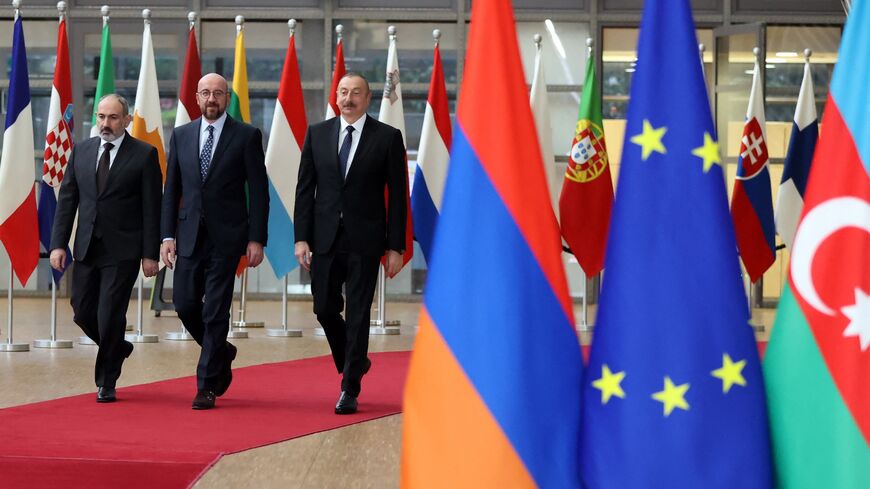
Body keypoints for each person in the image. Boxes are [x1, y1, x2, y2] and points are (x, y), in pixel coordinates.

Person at [294, 72, 407, 415]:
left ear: (368, 98)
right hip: (325, 238)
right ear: (336, 96)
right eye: (343, 92)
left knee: (358, 315)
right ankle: (354, 360)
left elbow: (399, 197)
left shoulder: (387, 137)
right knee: (324, 308)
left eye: (356, 92)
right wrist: (301, 238)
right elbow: (304, 190)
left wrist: (396, 247)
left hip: (366, 240)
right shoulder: (317, 134)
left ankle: (349, 388)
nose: (348, 98)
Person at [160, 73, 269, 410]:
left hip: (228, 237)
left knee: (216, 310)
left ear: (227, 98)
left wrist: (256, 238)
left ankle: (206, 384)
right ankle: (221, 350)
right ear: (196, 97)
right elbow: (172, 190)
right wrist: (166, 235)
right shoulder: (181, 135)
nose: (212, 99)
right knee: (184, 303)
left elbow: (259, 191)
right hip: (189, 234)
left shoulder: (247, 136)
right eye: (205, 92)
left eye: (218, 93)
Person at [50, 94, 162, 403]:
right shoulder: (81, 152)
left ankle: (106, 381)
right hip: (86, 247)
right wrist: (58, 244)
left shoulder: (144, 154)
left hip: (123, 249)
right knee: (83, 312)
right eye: (101, 116)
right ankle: (118, 347)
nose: (105, 123)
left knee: (109, 313)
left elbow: (152, 208)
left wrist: (150, 254)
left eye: (113, 117)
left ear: (126, 121)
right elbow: (68, 200)